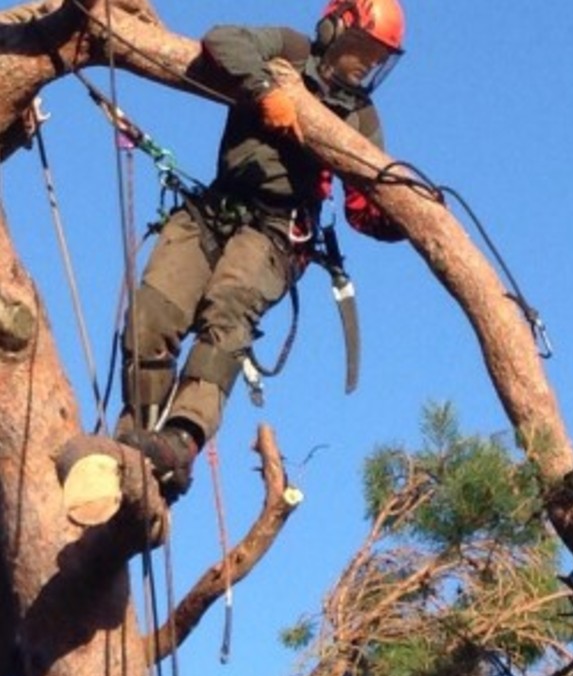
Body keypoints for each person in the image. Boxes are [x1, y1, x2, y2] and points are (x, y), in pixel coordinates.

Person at [116, 0, 407, 502]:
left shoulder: (360, 115)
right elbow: (224, 37)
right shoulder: (289, 48)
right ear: (333, 27)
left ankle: (181, 439)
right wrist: (266, 90)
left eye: (376, 58)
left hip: (277, 232)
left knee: (227, 309)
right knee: (152, 312)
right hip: (214, 208)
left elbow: (364, 208)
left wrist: (401, 214)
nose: (364, 64)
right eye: (361, 49)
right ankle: (134, 437)